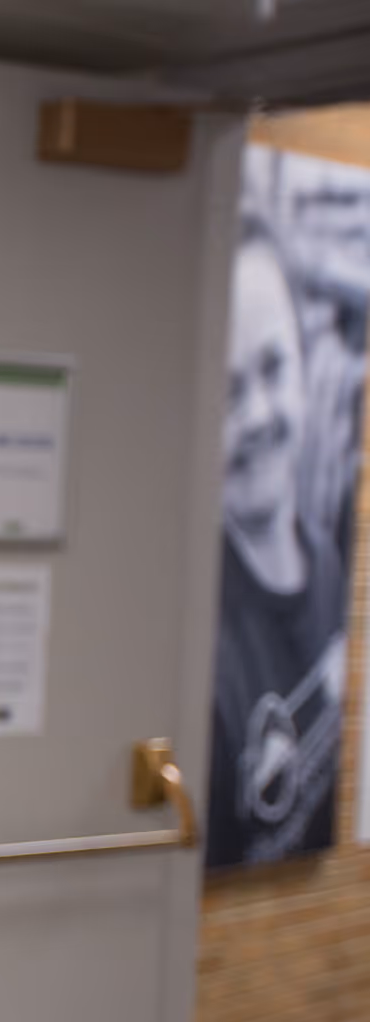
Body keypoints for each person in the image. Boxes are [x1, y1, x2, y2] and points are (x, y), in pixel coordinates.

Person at [207, 217, 354, 868]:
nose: (260, 414)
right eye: (229, 392)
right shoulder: (204, 649)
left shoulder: (330, 563)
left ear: (304, 365)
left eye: (272, 368)